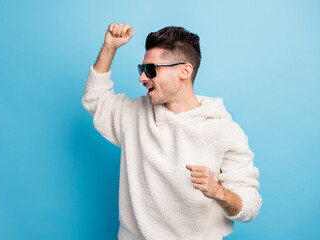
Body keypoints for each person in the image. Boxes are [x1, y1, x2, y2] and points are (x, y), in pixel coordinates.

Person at [82, 23, 262, 240]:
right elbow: (95, 99)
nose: (142, 78)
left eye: (151, 70)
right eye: (142, 69)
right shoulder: (134, 114)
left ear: (184, 71)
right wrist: (109, 47)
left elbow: (250, 206)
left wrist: (218, 192)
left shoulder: (225, 131)